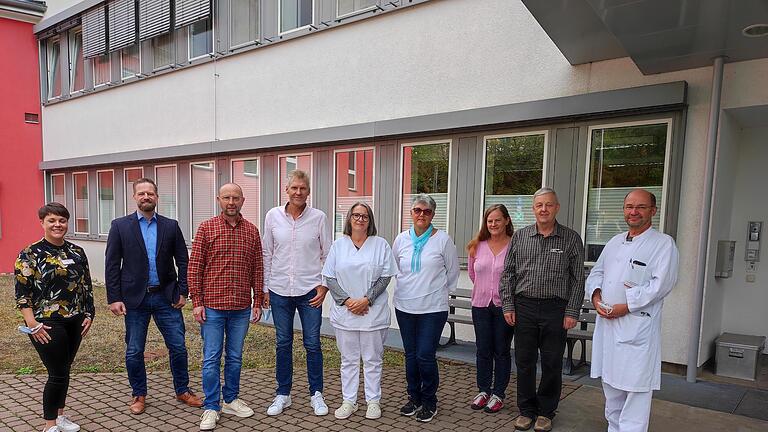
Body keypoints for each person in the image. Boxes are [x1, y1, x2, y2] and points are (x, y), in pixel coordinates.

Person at [105, 177, 202, 415]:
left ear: (157, 198)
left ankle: (182, 390)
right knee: (134, 350)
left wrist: (183, 290)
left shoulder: (170, 225)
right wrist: (114, 297)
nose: (146, 197)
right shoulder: (120, 226)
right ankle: (139, 394)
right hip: (134, 299)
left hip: (166, 297)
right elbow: (111, 264)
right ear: (134, 197)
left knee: (178, 347)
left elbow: (183, 261)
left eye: (150, 193)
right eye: (141, 193)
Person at [587, 189, 679, 432]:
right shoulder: (614, 242)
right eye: (629, 206)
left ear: (653, 211)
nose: (634, 212)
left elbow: (660, 285)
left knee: (635, 397)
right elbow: (597, 273)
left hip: (636, 329)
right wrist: (596, 298)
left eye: (641, 207)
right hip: (608, 328)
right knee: (612, 394)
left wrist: (625, 306)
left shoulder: (663, 244)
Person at [500, 187, 585, 432]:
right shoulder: (521, 237)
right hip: (524, 306)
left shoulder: (570, 238)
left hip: (555, 309)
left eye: (549, 205)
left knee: (551, 362)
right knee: (524, 361)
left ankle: (546, 412)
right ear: (533, 208)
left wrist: (572, 311)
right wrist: (508, 304)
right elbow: (508, 274)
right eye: (539, 205)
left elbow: (578, 278)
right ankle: (526, 411)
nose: (544, 209)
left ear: (557, 207)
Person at [189, 183, 264, 431]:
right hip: (212, 307)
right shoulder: (206, 228)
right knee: (211, 358)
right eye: (226, 198)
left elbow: (258, 268)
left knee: (235, 357)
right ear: (218, 200)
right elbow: (195, 267)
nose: (231, 202)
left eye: (235, 198)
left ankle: (231, 399)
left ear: (243, 200)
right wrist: (197, 302)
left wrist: (257, 302)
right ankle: (212, 406)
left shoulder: (252, 231)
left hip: (241, 307)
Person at [15, 203, 95, 432]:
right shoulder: (30, 253)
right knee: (57, 373)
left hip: (75, 320)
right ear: (42, 222)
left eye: (62, 220)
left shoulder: (76, 252)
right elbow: (22, 294)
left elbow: (86, 287)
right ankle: (49, 425)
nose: (57, 225)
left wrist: (89, 313)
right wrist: (32, 324)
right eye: (52, 220)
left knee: (65, 369)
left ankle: (60, 417)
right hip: (46, 322)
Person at [262, 169, 332, 417]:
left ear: (308, 191)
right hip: (279, 290)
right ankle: (283, 393)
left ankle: (316, 394)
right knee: (283, 343)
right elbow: (267, 253)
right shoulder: (272, 216)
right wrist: (264, 288)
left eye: (303, 188)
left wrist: (324, 286)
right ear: (287, 190)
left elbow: (327, 255)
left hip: (310, 290)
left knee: (312, 343)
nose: (298, 192)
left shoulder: (319, 218)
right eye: (294, 188)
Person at [322, 202, 398, 420]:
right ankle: (349, 401)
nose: (360, 219)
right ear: (349, 219)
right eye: (356, 215)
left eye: (364, 216)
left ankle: (373, 401)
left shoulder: (380, 244)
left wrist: (367, 300)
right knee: (348, 359)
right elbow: (330, 277)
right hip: (346, 313)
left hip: (372, 313)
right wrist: (347, 301)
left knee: (373, 359)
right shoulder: (339, 245)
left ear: (370, 220)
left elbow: (385, 277)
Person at [392, 193, 460, 423]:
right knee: (410, 355)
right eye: (417, 210)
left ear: (433, 214)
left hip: (433, 308)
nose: (422, 214)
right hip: (405, 307)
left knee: (425, 355)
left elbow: (451, 274)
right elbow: (396, 269)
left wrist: (435, 292)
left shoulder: (443, 240)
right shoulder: (401, 239)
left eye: (427, 211)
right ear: (411, 213)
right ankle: (415, 397)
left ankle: (430, 401)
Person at [467, 204, 514, 414]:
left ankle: (498, 394)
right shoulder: (476, 245)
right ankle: (483, 390)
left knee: (501, 351)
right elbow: (472, 274)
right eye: (489, 221)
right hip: (480, 305)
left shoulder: (515, 246)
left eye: (497, 220)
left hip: (505, 307)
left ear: (506, 221)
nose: (493, 224)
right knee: (483, 350)